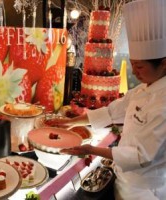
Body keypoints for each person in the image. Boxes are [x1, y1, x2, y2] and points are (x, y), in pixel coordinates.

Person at [49, 0, 166, 199]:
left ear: (163, 64)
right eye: (132, 65)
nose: (135, 73)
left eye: (140, 67)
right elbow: (111, 111)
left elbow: (140, 156)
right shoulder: (143, 90)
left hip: (145, 190)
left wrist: (91, 149)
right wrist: (70, 122)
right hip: (122, 178)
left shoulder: (162, 104)